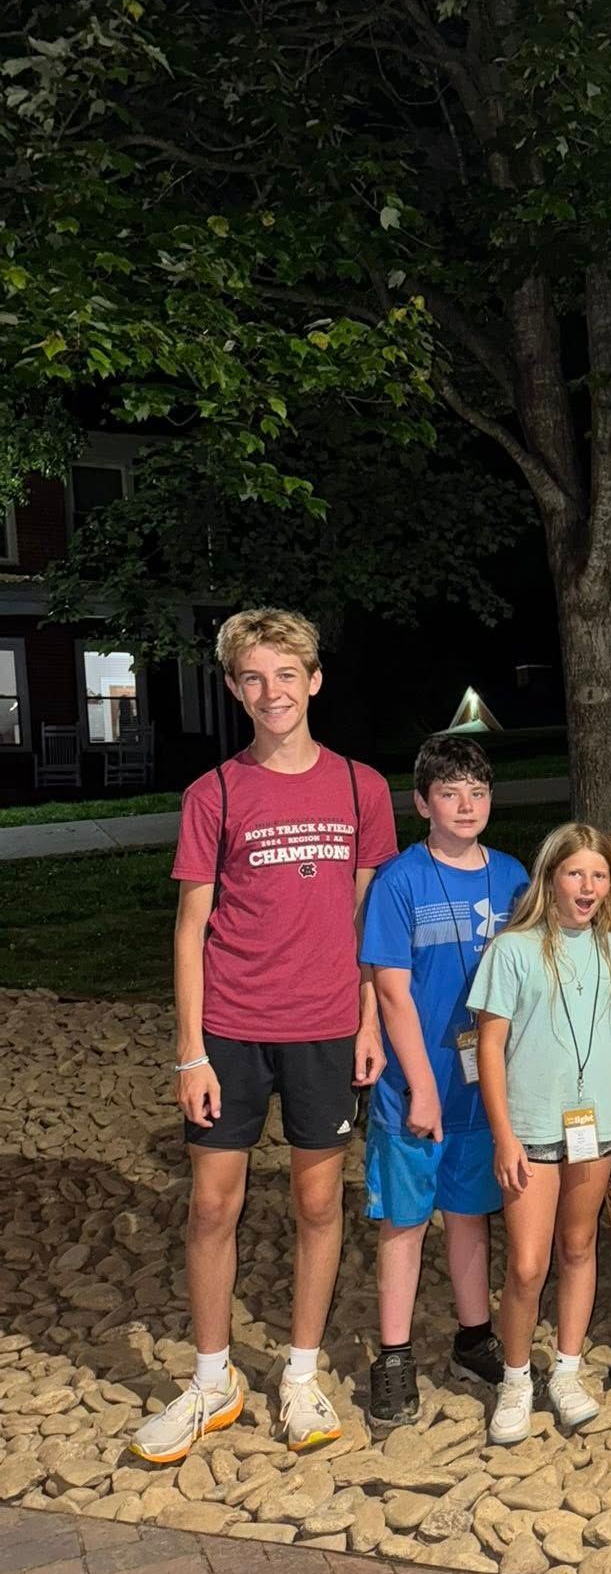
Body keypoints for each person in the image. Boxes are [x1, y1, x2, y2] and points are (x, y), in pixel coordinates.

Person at [134, 608, 397, 1466]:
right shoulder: (212, 793)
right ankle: (213, 1380)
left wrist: (368, 1020)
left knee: (318, 1204)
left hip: (325, 1030)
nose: (271, 691)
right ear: (234, 689)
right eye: (253, 677)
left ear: (314, 680)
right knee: (213, 1206)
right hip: (231, 1030)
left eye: (286, 674)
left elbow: (370, 923)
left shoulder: (361, 789)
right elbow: (189, 929)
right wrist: (190, 1051)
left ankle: (300, 1374)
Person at [468, 824, 611, 1442]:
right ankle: (514, 1380)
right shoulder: (513, 950)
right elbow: (490, 1046)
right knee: (528, 1264)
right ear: (551, 878)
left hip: (594, 1127)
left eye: (599, 875)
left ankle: (566, 1369)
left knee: (580, 1247)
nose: (588, 887)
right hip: (530, 1129)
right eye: (575, 873)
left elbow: (608, 1029)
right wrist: (504, 1136)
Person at [359, 736, 530, 1431]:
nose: (466, 805)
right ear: (422, 803)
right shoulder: (399, 882)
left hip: (483, 1088)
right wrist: (422, 1085)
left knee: (469, 1213)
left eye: (477, 792)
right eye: (450, 793)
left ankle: (473, 1336)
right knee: (405, 1220)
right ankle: (395, 1354)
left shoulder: (513, 878)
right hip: (416, 1085)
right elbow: (391, 991)